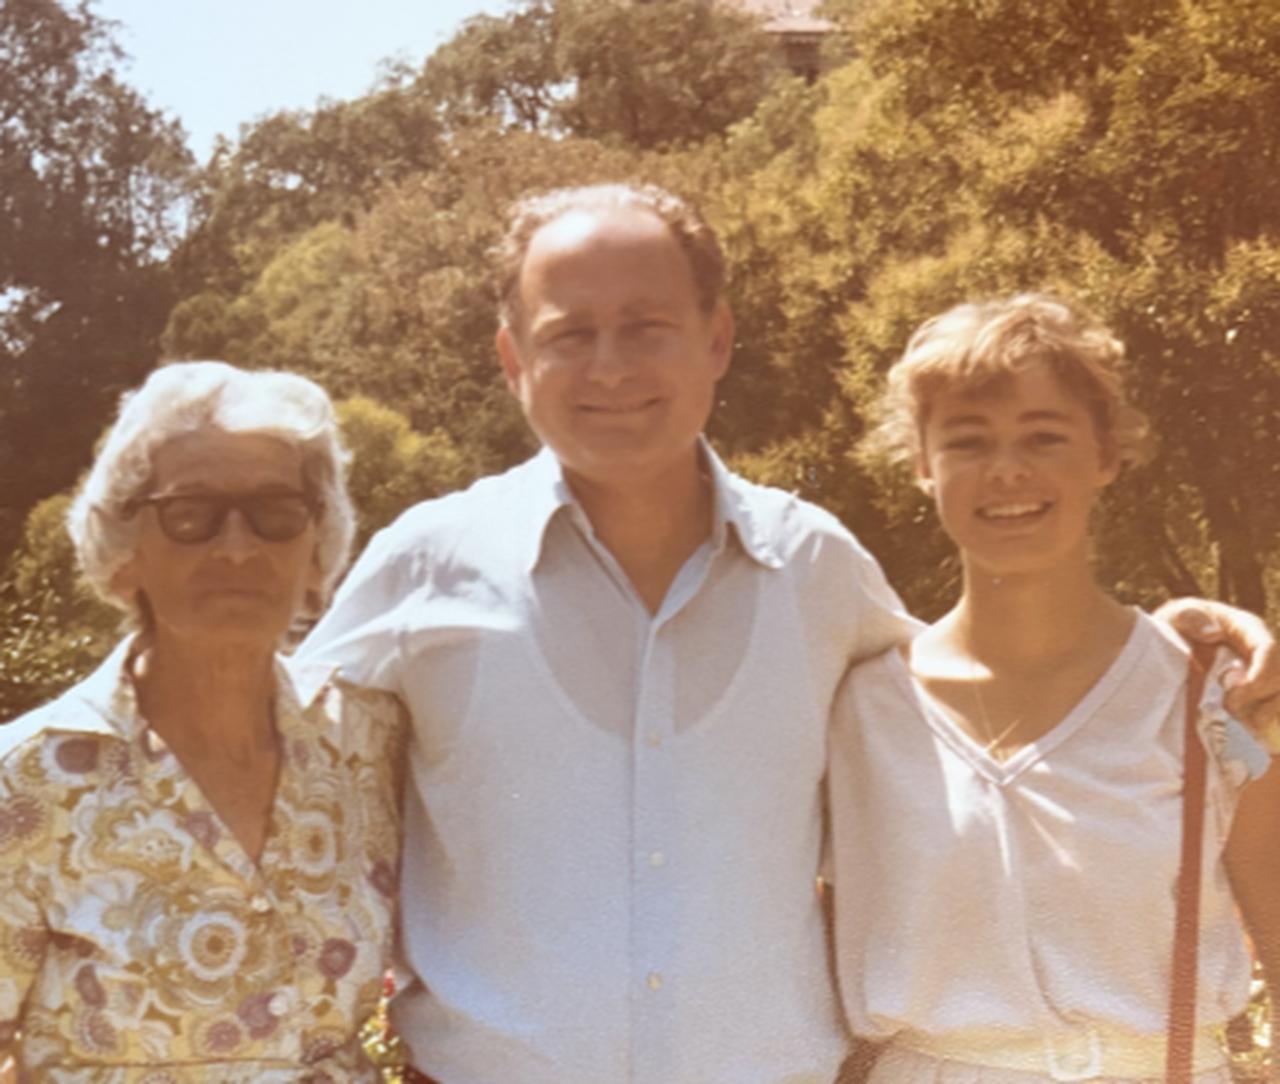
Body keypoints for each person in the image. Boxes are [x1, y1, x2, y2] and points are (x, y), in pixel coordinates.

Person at [299, 185, 1280, 1084]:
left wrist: (1178, 652)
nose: (609, 367)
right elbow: (269, 762)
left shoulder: (817, 570)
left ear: (716, 338)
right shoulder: (420, 565)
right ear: (513, 358)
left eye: (645, 326)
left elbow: (1015, 671)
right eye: (569, 334)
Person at [827, 294, 1280, 1083]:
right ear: (923, 467)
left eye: (1044, 436)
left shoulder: (1212, 697)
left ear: (1106, 454)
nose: (1007, 469)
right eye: (967, 441)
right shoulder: (856, 711)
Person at [0, 362, 406, 1083]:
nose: (237, 548)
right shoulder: (28, 782)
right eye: (190, 514)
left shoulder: (370, 745)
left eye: (275, 511)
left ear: (317, 546)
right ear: (126, 553)